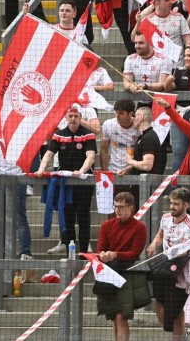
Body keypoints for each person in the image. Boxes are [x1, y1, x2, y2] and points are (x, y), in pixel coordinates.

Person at [38, 104, 97, 254]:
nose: (73, 119)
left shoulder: (88, 134)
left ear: (80, 118)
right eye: (70, 116)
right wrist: (41, 168)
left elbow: (90, 156)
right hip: (66, 184)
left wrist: (81, 171)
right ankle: (69, 249)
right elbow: (49, 154)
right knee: (68, 216)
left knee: (83, 217)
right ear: (66, 118)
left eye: (76, 116)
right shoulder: (59, 135)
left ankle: (84, 250)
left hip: (83, 183)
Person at [95, 191, 149, 341]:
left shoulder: (139, 227)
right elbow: (99, 249)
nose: (117, 210)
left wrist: (115, 254)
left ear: (131, 208)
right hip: (108, 273)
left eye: (121, 206)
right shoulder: (106, 225)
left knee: (121, 315)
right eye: (116, 206)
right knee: (114, 316)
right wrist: (102, 255)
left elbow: (135, 253)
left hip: (127, 274)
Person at [146, 187, 190, 340]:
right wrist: (154, 244)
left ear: (186, 205)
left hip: (179, 269)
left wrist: (172, 253)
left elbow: (186, 250)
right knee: (160, 311)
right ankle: (183, 334)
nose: (172, 207)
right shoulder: (166, 218)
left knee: (176, 310)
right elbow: (161, 234)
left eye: (176, 204)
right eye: (171, 203)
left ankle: (181, 336)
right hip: (163, 266)